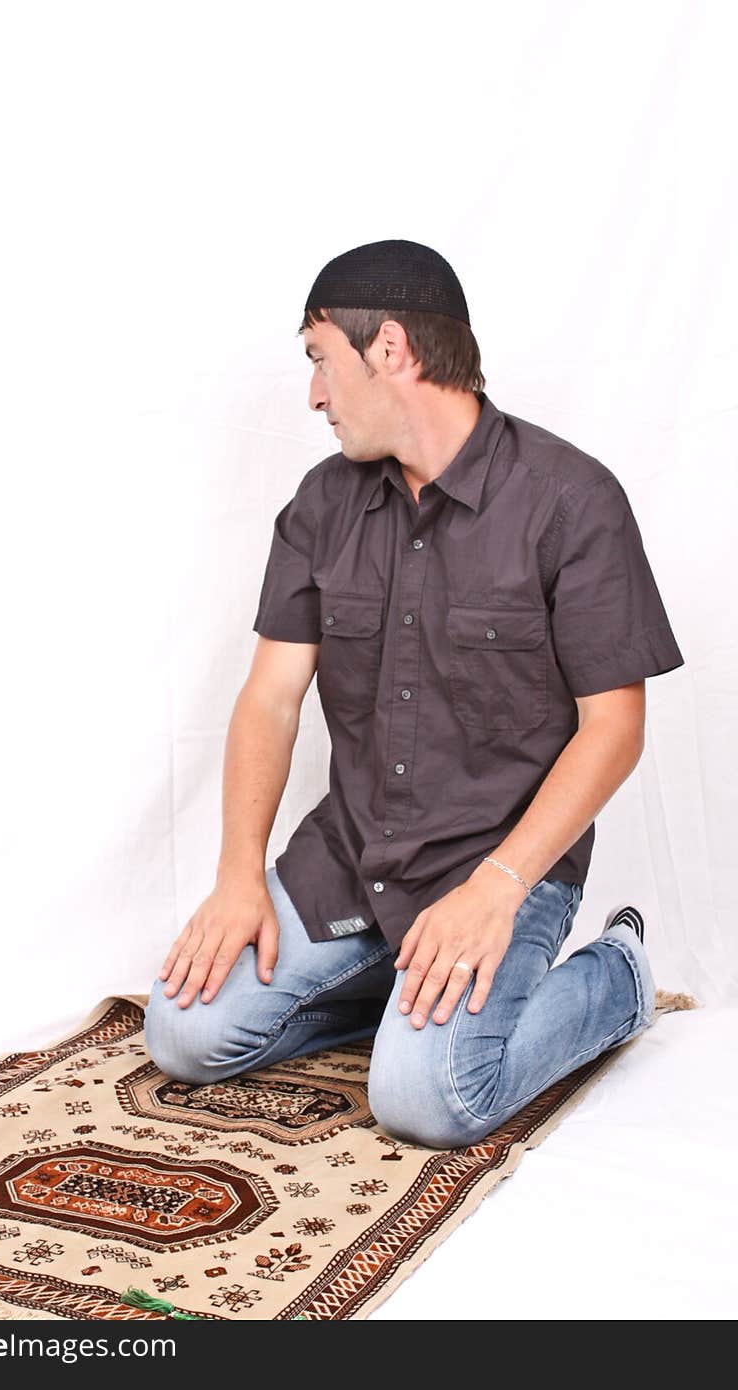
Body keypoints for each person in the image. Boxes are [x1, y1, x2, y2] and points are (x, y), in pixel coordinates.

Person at [143, 239, 685, 1148]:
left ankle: (617, 979)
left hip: (500, 867)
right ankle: (403, 1002)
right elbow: (271, 698)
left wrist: (497, 887)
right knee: (184, 1032)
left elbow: (615, 728)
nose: (314, 394)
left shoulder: (571, 501)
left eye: (321, 359)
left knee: (426, 1102)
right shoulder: (322, 504)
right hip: (354, 859)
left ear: (389, 348)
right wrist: (240, 876)